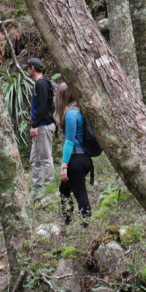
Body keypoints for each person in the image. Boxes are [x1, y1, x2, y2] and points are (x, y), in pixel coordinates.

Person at [54, 83, 92, 227]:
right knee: (64, 190)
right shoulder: (78, 111)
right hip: (83, 158)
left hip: (76, 159)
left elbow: (69, 142)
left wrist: (64, 166)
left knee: (80, 193)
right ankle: (68, 221)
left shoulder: (70, 115)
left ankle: (86, 225)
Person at [26, 57, 56, 192]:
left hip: (43, 126)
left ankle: (49, 190)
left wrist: (35, 125)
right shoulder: (42, 83)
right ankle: (37, 191)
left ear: (32, 68)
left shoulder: (41, 84)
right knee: (35, 160)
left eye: (28, 67)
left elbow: (43, 107)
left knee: (45, 159)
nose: (27, 70)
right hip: (41, 126)